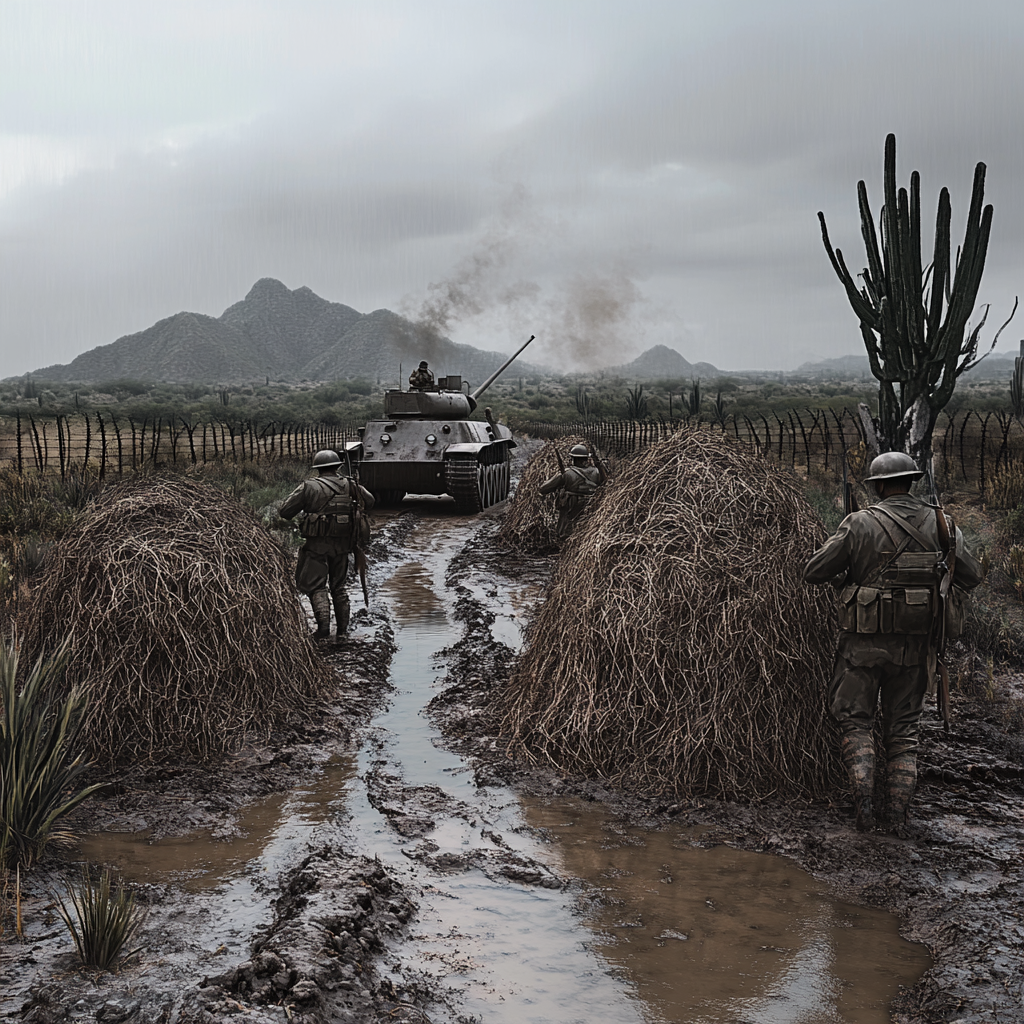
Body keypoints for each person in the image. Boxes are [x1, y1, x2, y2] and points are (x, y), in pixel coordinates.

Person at [804, 451, 984, 831]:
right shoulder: (944, 525)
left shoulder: (859, 523)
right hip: (917, 650)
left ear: (879, 485)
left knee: (856, 723)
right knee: (904, 734)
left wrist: (850, 579)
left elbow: (814, 571)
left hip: (862, 649)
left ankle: (864, 812)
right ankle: (898, 818)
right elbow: (972, 576)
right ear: (911, 481)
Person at [280, 449, 374, 640]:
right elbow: (370, 501)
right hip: (343, 546)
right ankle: (342, 631)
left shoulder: (308, 487)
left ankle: (323, 629)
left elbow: (285, 511)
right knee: (339, 587)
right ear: (337, 466)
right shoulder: (350, 484)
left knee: (316, 586)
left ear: (317, 468)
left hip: (316, 546)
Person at [539, 443, 608, 541]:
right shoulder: (596, 472)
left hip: (571, 507)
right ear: (586, 459)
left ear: (573, 459)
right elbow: (606, 483)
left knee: (566, 530)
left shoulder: (567, 473)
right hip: (591, 506)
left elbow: (543, 489)